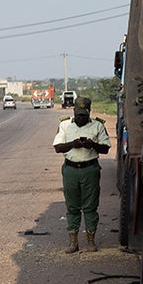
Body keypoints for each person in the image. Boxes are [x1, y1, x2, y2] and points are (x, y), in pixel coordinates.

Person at [52, 97, 110, 253]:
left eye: (84, 115)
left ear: (89, 112)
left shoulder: (98, 125)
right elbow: (58, 148)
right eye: (78, 115)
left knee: (90, 207)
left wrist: (93, 145)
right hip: (70, 170)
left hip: (90, 169)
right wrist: (73, 144)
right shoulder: (65, 125)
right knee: (72, 206)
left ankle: (91, 240)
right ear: (74, 112)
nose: (81, 118)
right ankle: (73, 242)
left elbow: (105, 149)